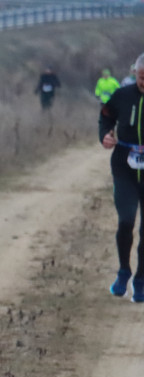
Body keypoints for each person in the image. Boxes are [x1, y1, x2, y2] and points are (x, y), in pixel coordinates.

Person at [99, 53, 144, 301]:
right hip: (124, 166)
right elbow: (105, 116)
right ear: (135, 74)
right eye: (141, 78)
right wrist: (105, 134)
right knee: (126, 221)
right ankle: (124, 271)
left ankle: (141, 280)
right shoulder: (123, 95)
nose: (143, 83)